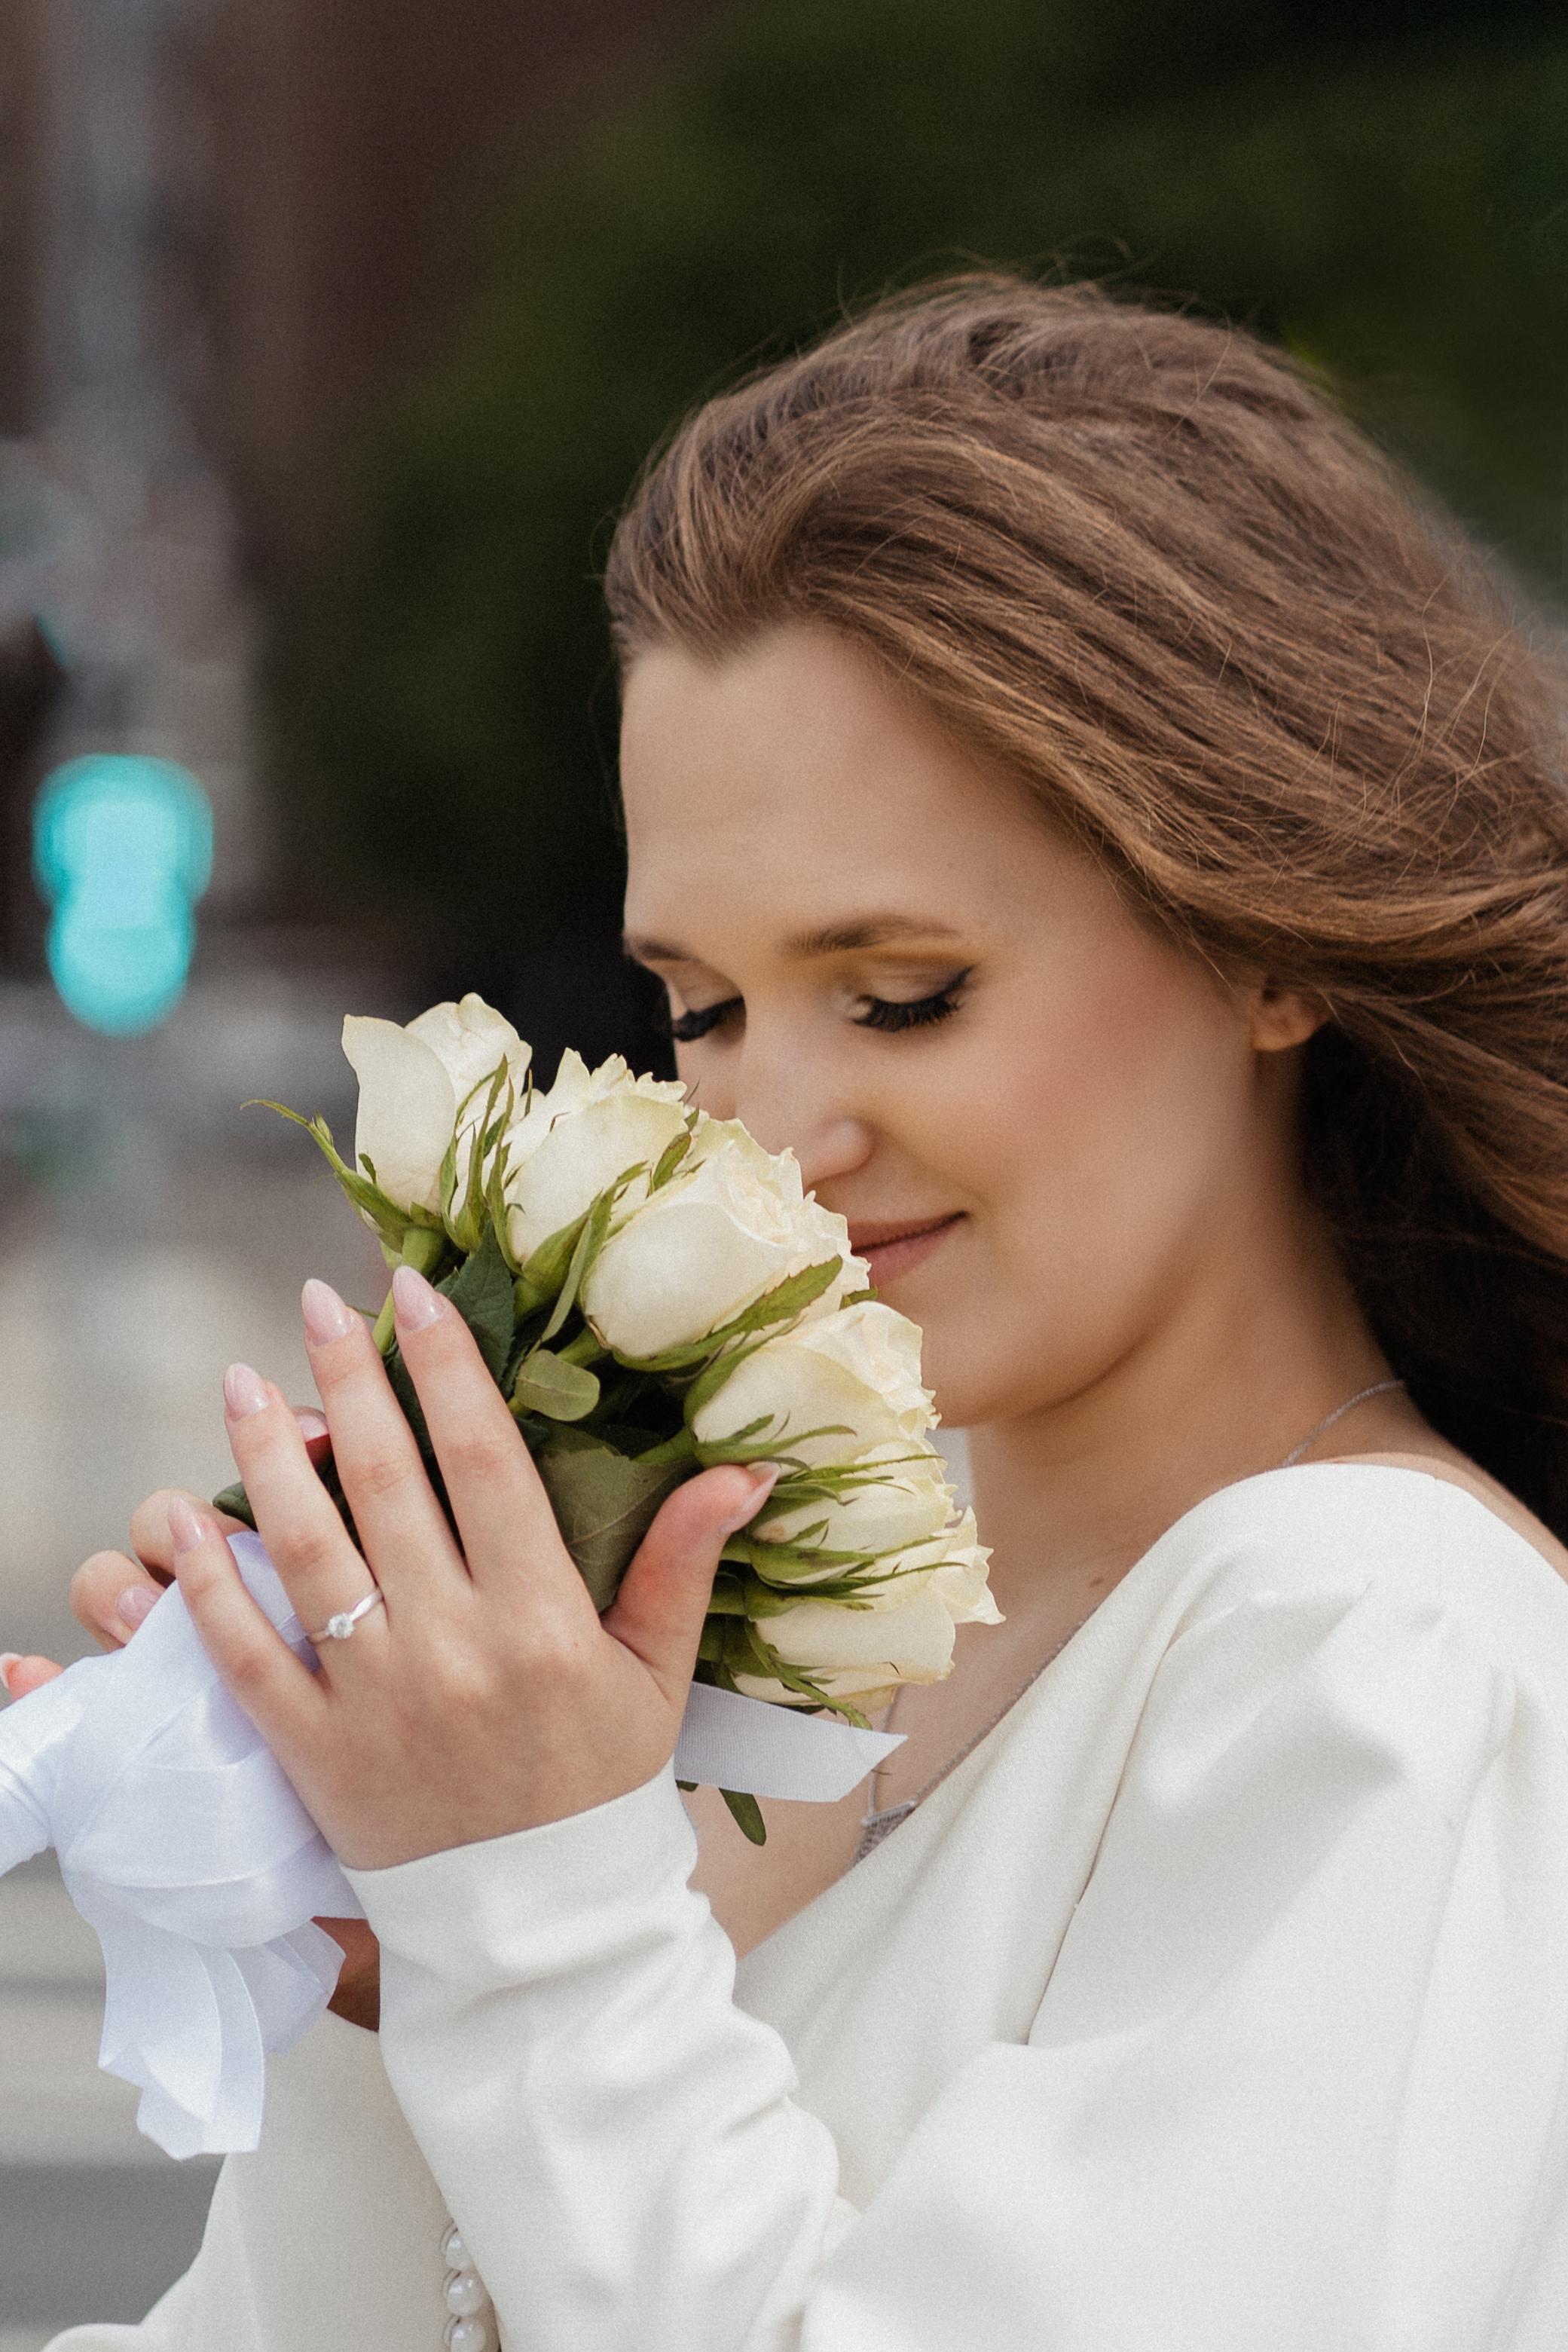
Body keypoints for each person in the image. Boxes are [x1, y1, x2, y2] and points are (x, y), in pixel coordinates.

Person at [11, 272, 1568, 2349]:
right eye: (706, 1008)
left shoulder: (1376, 1647)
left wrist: (528, 1907)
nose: (776, 1133)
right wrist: (386, 1939)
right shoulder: (765, 1663)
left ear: (1266, 945)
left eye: (904, 994)